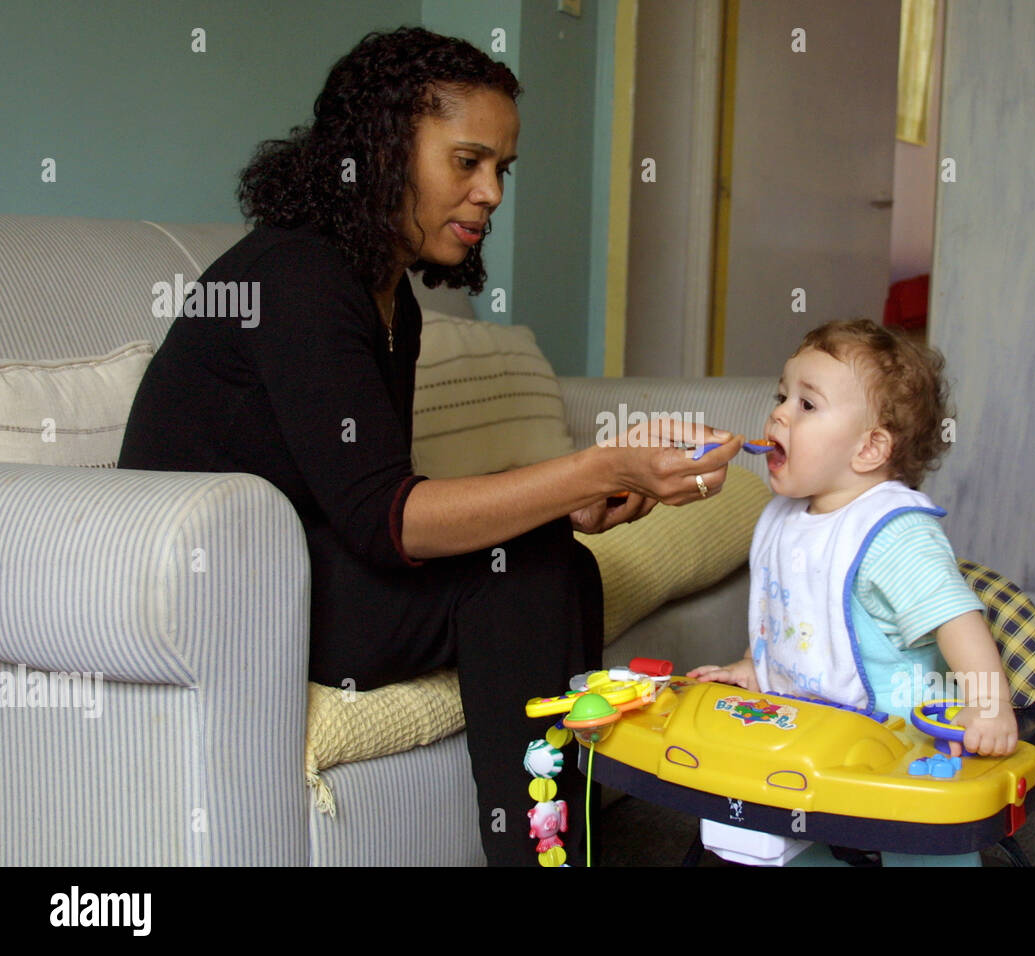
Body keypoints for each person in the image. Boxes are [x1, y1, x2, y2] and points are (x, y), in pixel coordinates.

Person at [118, 27, 741, 866]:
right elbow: (392, 523)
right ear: (380, 151)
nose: (489, 193)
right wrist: (595, 465)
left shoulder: (389, 299)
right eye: (467, 162)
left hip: (306, 565)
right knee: (530, 574)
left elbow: (377, 494)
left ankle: (555, 844)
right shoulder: (295, 279)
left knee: (555, 562)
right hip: (223, 602)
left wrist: (574, 496)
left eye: (502, 171)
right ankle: (548, 856)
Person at [689, 319, 1017, 753]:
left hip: (893, 739)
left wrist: (988, 703)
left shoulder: (892, 532)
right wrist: (755, 668)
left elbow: (954, 618)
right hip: (807, 729)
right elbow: (783, 613)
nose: (779, 413)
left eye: (807, 405)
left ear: (869, 449)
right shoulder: (783, 518)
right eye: (782, 396)